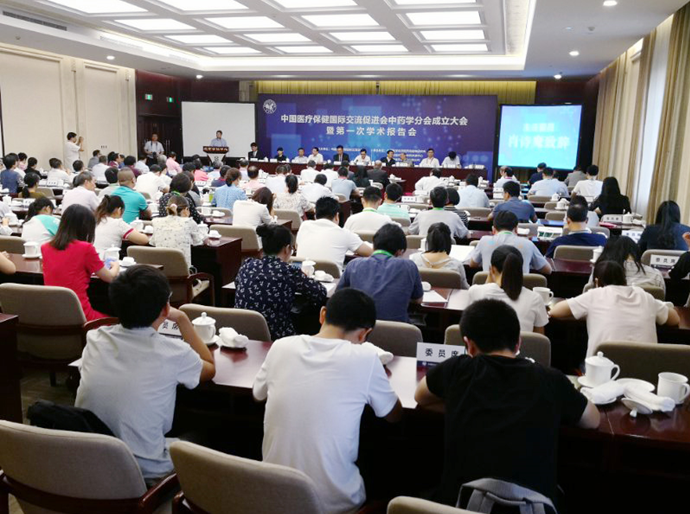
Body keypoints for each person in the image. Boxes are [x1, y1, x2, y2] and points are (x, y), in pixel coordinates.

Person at [414, 299, 599, 507]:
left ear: (469, 345)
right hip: (532, 508)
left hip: (460, 507)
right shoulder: (550, 379)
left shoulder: (457, 369)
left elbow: (420, 396)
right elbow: (592, 420)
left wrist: (458, 403)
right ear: (518, 342)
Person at [253, 287, 402, 513]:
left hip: (274, 496)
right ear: (365, 334)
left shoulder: (281, 346)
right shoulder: (366, 357)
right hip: (335, 505)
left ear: (322, 314)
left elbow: (257, 394)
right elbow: (393, 415)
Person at [75, 265, 215, 481]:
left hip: (91, 462)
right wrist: (182, 319)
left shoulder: (95, 339)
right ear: (165, 309)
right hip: (146, 471)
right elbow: (209, 367)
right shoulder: (172, 352)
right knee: (206, 435)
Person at [550, 260, 679, 358]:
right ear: (624, 280)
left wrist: (587, 313)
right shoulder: (644, 296)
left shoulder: (595, 294)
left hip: (602, 373)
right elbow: (675, 319)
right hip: (644, 374)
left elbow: (555, 311)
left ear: (597, 282)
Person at [236, 224, 327, 339]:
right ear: (287, 249)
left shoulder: (247, 265)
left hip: (242, 334)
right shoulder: (289, 271)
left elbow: (237, 284)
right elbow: (320, 293)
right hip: (278, 337)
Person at [41, 205, 119, 321]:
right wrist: (116, 265)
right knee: (117, 322)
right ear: (85, 227)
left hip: (52, 315)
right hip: (80, 315)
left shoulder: (45, 247)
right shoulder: (86, 248)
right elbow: (110, 277)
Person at [338, 224, 423, 322]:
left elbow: (339, 295)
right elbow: (418, 300)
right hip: (397, 329)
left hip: (359, 327)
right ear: (400, 251)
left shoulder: (353, 264)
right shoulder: (409, 266)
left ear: (374, 245)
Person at [468, 245, 548, 332]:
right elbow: (539, 338)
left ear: (492, 270)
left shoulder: (474, 291)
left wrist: (490, 277)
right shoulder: (535, 299)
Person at [296, 197, 372, 269]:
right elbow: (371, 253)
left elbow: (297, 247)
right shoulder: (344, 234)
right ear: (336, 216)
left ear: (315, 216)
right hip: (333, 278)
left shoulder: (304, 226)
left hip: (301, 276)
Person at [468, 211, 551, 274]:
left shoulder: (484, 241)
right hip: (518, 290)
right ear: (516, 229)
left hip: (489, 289)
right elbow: (548, 270)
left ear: (493, 230)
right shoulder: (528, 244)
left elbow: (472, 264)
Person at [586, 236, 665, 293]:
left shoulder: (600, 271)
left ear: (607, 253)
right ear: (636, 251)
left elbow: (587, 295)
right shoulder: (656, 275)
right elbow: (662, 300)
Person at [150, 196, 205, 268]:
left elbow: (152, 242)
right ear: (186, 209)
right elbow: (198, 242)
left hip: (161, 271)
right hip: (183, 271)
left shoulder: (156, 222)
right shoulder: (188, 222)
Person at [410, 222, 469, 288]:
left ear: (428, 240)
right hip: (448, 295)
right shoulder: (457, 265)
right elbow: (465, 288)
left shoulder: (414, 260)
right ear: (448, 241)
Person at [545, 205, 610, 258]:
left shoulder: (558, 242)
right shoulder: (602, 240)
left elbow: (547, 262)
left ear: (568, 221)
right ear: (587, 220)